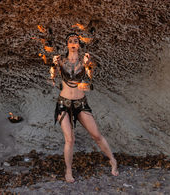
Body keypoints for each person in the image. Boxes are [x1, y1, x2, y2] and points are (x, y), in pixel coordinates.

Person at [50, 32, 119, 183]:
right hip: (64, 103)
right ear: (67, 44)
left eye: (76, 41)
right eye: (70, 41)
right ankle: (68, 171)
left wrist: (89, 64)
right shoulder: (60, 60)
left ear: (79, 45)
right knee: (69, 139)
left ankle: (112, 160)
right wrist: (53, 64)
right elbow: (53, 76)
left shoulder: (84, 60)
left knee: (97, 135)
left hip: (81, 103)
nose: (73, 43)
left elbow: (90, 77)